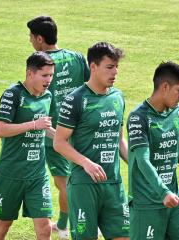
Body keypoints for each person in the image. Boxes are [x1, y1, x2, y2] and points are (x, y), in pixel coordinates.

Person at [54, 42, 129, 240]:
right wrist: (86, 163)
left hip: (113, 184)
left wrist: (138, 164)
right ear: (93, 67)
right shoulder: (75, 99)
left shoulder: (118, 97)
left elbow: (119, 140)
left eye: (116, 67)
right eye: (110, 67)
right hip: (84, 185)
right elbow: (59, 142)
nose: (115, 72)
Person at [27, 16, 90, 239]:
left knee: (64, 182)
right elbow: (91, 87)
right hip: (81, 129)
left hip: (55, 133)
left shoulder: (41, 64)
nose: (30, 41)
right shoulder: (76, 57)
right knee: (77, 177)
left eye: (31, 37)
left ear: (40, 38)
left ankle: (68, 228)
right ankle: (64, 223)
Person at [127, 62, 179, 240]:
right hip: (148, 203)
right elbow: (143, 160)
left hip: (173, 198)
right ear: (165, 87)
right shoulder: (139, 117)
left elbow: (172, 145)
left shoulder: (176, 111)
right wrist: (163, 192)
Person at [0, 51, 55, 240]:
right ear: (30, 73)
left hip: (37, 174)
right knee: (3, 226)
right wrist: (34, 125)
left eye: (51, 75)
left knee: (45, 228)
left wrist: (64, 142)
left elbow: (45, 127)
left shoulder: (47, 96)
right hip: (11, 173)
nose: (49, 79)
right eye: (44, 75)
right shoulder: (13, 94)